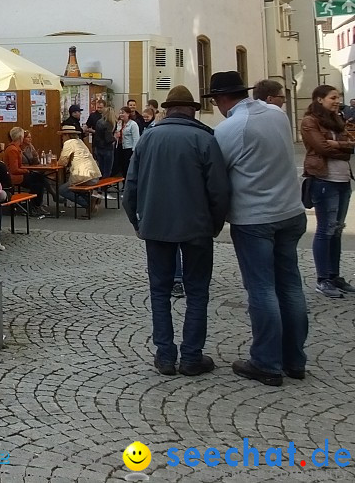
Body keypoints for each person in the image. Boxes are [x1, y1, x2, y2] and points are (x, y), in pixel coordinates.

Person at [209, 72, 310, 385]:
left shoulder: (229, 128)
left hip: (255, 217)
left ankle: (266, 362)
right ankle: (294, 359)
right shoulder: (277, 115)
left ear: (220, 100)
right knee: (290, 285)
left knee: (262, 288)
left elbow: (216, 174)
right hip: (291, 211)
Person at [123, 85, 230, 377]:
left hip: (156, 226)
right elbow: (219, 191)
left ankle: (166, 355)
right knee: (197, 292)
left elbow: (129, 187)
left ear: (166, 110)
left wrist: (136, 222)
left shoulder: (148, 139)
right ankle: (192, 356)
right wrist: (215, 224)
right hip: (197, 227)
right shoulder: (205, 139)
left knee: (159, 291)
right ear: (192, 110)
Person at [299, 83, 355, 300]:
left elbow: (351, 144)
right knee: (325, 230)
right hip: (324, 181)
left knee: (337, 229)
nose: (337, 100)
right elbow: (322, 148)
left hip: (342, 180)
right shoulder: (309, 121)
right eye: (333, 97)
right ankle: (323, 279)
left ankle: (334, 275)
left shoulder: (338, 120)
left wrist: (339, 145)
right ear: (319, 99)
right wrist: (341, 146)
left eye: (338, 97)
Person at [56, 126, 102, 213]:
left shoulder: (69, 143)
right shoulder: (80, 142)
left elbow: (62, 161)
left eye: (62, 136)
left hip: (83, 176)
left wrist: (57, 162)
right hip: (95, 175)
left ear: (66, 135)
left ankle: (88, 204)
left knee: (62, 190)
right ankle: (92, 197)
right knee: (74, 187)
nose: (62, 138)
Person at [3, 127, 47, 213]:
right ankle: (35, 205)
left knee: (38, 179)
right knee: (38, 180)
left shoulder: (14, 148)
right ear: (20, 137)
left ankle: (34, 205)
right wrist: (26, 171)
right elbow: (14, 169)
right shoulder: (13, 150)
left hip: (16, 175)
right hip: (14, 177)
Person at [113, 106, 140, 176]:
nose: (121, 115)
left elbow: (136, 138)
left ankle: (127, 183)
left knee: (127, 166)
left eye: (123, 113)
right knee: (121, 167)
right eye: (120, 113)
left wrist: (134, 151)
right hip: (120, 146)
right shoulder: (119, 123)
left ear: (128, 114)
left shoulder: (133, 124)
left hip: (129, 148)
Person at [91, 105, 117, 178]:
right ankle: (104, 188)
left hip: (99, 148)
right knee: (107, 171)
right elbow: (108, 139)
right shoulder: (109, 124)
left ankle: (100, 186)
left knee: (101, 169)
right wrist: (115, 137)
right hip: (107, 149)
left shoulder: (99, 122)